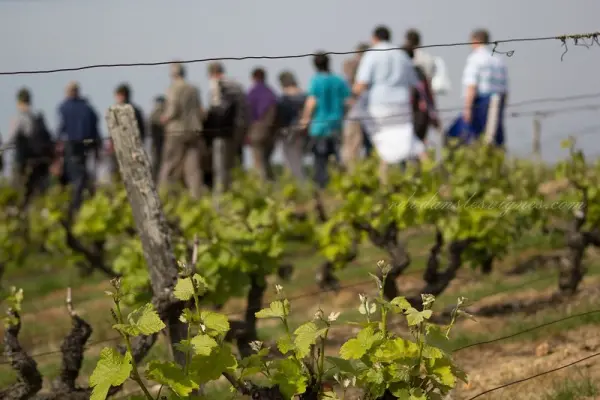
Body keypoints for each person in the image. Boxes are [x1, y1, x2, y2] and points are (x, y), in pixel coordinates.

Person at [354, 25, 428, 183]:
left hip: (379, 104)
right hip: (402, 104)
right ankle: (429, 174)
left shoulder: (372, 54)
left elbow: (361, 83)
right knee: (408, 138)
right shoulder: (401, 54)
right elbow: (415, 82)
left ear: (374, 38)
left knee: (383, 144)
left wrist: (351, 98)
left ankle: (384, 182)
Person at [446, 29, 508, 147]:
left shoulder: (475, 59)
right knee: (493, 138)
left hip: (481, 103)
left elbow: (471, 86)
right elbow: (505, 89)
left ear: (475, 41)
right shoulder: (498, 60)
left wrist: (467, 109)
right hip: (497, 101)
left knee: (461, 135)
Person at [300, 52, 350, 189]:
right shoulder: (339, 80)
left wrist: (305, 120)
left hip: (319, 126)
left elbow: (311, 101)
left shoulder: (316, 81)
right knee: (336, 158)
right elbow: (348, 101)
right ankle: (339, 185)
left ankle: (322, 188)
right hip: (336, 125)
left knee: (320, 160)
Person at [158, 62, 205, 198]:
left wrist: (164, 118)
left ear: (173, 73)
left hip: (176, 131)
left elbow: (173, 109)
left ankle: (164, 196)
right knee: (193, 168)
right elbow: (200, 111)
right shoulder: (193, 89)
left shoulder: (173, 89)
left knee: (170, 164)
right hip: (193, 130)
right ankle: (196, 196)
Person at [57, 81, 101, 224]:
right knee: (83, 176)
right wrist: (96, 147)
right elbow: (95, 128)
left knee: (74, 179)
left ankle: (73, 210)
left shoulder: (64, 108)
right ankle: (82, 205)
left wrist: (57, 146)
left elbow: (61, 129)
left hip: (70, 147)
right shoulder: (88, 108)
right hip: (86, 147)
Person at [205, 62, 250, 193]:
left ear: (212, 73)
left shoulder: (219, 85)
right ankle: (238, 193)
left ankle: (220, 200)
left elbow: (217, 109)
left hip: (223, 132)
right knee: (235, 165)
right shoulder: (237, 85)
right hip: (239, 131)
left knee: (220, 168)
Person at [8, 88, 54, 209]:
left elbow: (11, 139)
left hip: (22, 161)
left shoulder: (19, 118)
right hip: (37, 161)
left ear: (19, 101)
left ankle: (21, 217)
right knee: (36, 192)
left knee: (19, 191)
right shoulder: (36, 117)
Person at [342, 42, 373, 169]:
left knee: (352, 150)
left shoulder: (357, 66)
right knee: (366, 148)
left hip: (357, 114)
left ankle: (355, 176)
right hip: (366, 113)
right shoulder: (369, 68)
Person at [401, 47, 439, 143]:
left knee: (413, 143)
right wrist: (433, 114)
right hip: (421, 113)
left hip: (414, 113)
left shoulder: (408, 72)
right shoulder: (418, 71)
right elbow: (428, 94)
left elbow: (423, 93)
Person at [108, 84, 146, 179]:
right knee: (116, 172)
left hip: (132, 147)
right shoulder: (113, 110)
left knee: (132, 173)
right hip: (117, 146)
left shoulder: (133, 110)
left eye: (120, 95)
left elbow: (141, 130)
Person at [247, 67, 278, 181]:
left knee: (258, 163)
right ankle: (272, 186)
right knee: (267, 161)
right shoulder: (271, 93)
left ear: (254, 78)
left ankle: (263, 189)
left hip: (256, 132)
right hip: (271, 133)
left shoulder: (252, 93)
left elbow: (248, 114)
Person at [277, 70, 307, 182]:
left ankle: (298, 186)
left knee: (291, 161)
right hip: (303, 131)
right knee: (299, 160)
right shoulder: (304, 95)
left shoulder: (284, 99)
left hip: (288, 132)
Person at [149, 96, 166, 183]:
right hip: (158, 144)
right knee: (157, 164)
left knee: (157, 164)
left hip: (157, 144)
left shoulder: (153, 114)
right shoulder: (158, 114)